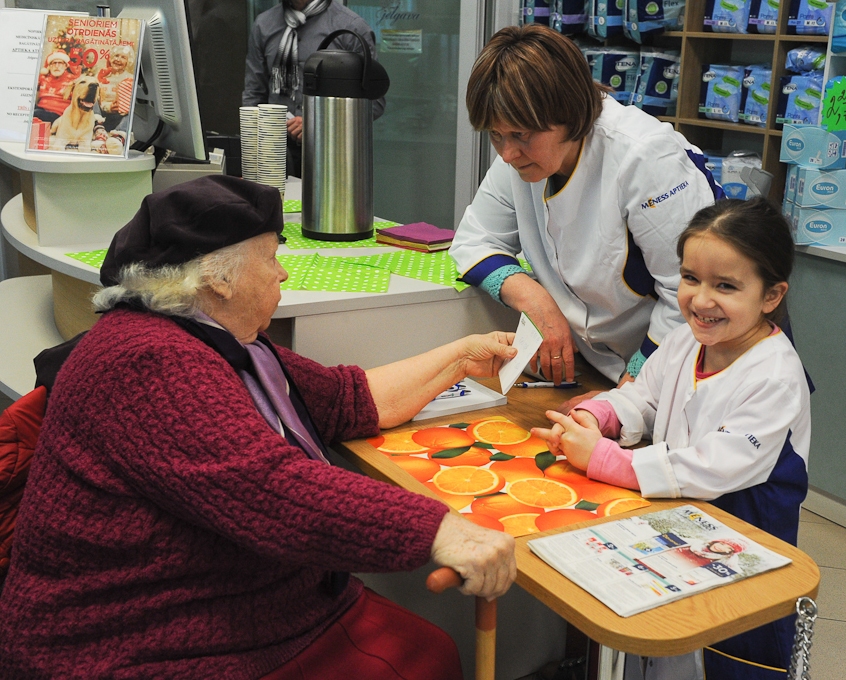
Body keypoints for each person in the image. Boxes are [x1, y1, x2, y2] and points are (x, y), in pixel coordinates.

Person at [0, 176, 516, 679]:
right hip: (136, 643)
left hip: (219, 604)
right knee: (424, 656)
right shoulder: (148, 363)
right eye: (271, 258)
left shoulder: (215, 339)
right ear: (220, 278)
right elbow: (271, 487)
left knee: (427, 647)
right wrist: (436, 528)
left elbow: (344, 399)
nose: (283, 274)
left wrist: (460, 356)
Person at [532, 198, 811, 680]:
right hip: (674, 524)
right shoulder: (687, 339)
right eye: (690, 279)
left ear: (771, 295)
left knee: (726, 654)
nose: (701, 300)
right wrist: (599, 416)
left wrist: (603, 459)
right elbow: (644, 397)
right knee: (665, 641)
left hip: (743, 543)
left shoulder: (777, 376)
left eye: (725, 285)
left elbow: (709, 467)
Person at [449, 24, 722, 394]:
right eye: (496, 135)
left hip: (696, 365)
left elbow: (688, 294)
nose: (508, 153)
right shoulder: (519, 158)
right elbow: (474, 240)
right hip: (601, 367)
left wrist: (631, 394)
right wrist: (536, 302)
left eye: (521, 135)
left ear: (570, 114)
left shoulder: (643, 157)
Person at [243, 0, 385, 176]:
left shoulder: (350, 27)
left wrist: (318, 124)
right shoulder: (264, 25)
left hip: (331, 156)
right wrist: (251, 154)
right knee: (276, 204)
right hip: (274, 152)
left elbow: (374, 103)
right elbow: (254, 94)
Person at [96, 43, 136, 132]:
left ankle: (119, 134)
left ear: (128, 61)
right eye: (116, 56)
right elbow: (97, 100)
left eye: (123, 57)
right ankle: (98, 129)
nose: (118, 59)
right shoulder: (102, 77)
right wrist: (108, 107)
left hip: (121, 117)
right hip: (103, 117)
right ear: (111, 58)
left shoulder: (131, 79)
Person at [33, 50, 75, 124]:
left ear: (66, 66)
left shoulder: (72, 81)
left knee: (35, 113)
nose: (57, 66)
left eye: (60, 63)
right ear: (49, 66)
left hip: (58, 115)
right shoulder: (44, 78)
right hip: (41, 109)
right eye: (54, 63)